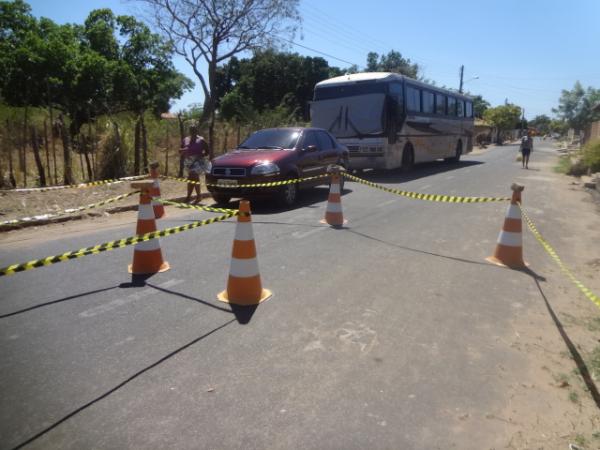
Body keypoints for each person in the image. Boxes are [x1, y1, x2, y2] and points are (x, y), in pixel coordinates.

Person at [180, 124, 210, 203]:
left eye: (194, 130)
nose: (193, 131)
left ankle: (193, 197)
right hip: (188, 161)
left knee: (194, 177)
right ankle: (195, 196)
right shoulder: (186, 139)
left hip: (198, 161)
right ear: (189, 131)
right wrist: (182, 151)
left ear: (197, 130)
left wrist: (201, 156)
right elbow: (181, 149)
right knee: (190, 179)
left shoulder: (201, 140)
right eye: (191, 130)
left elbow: (207, 151)